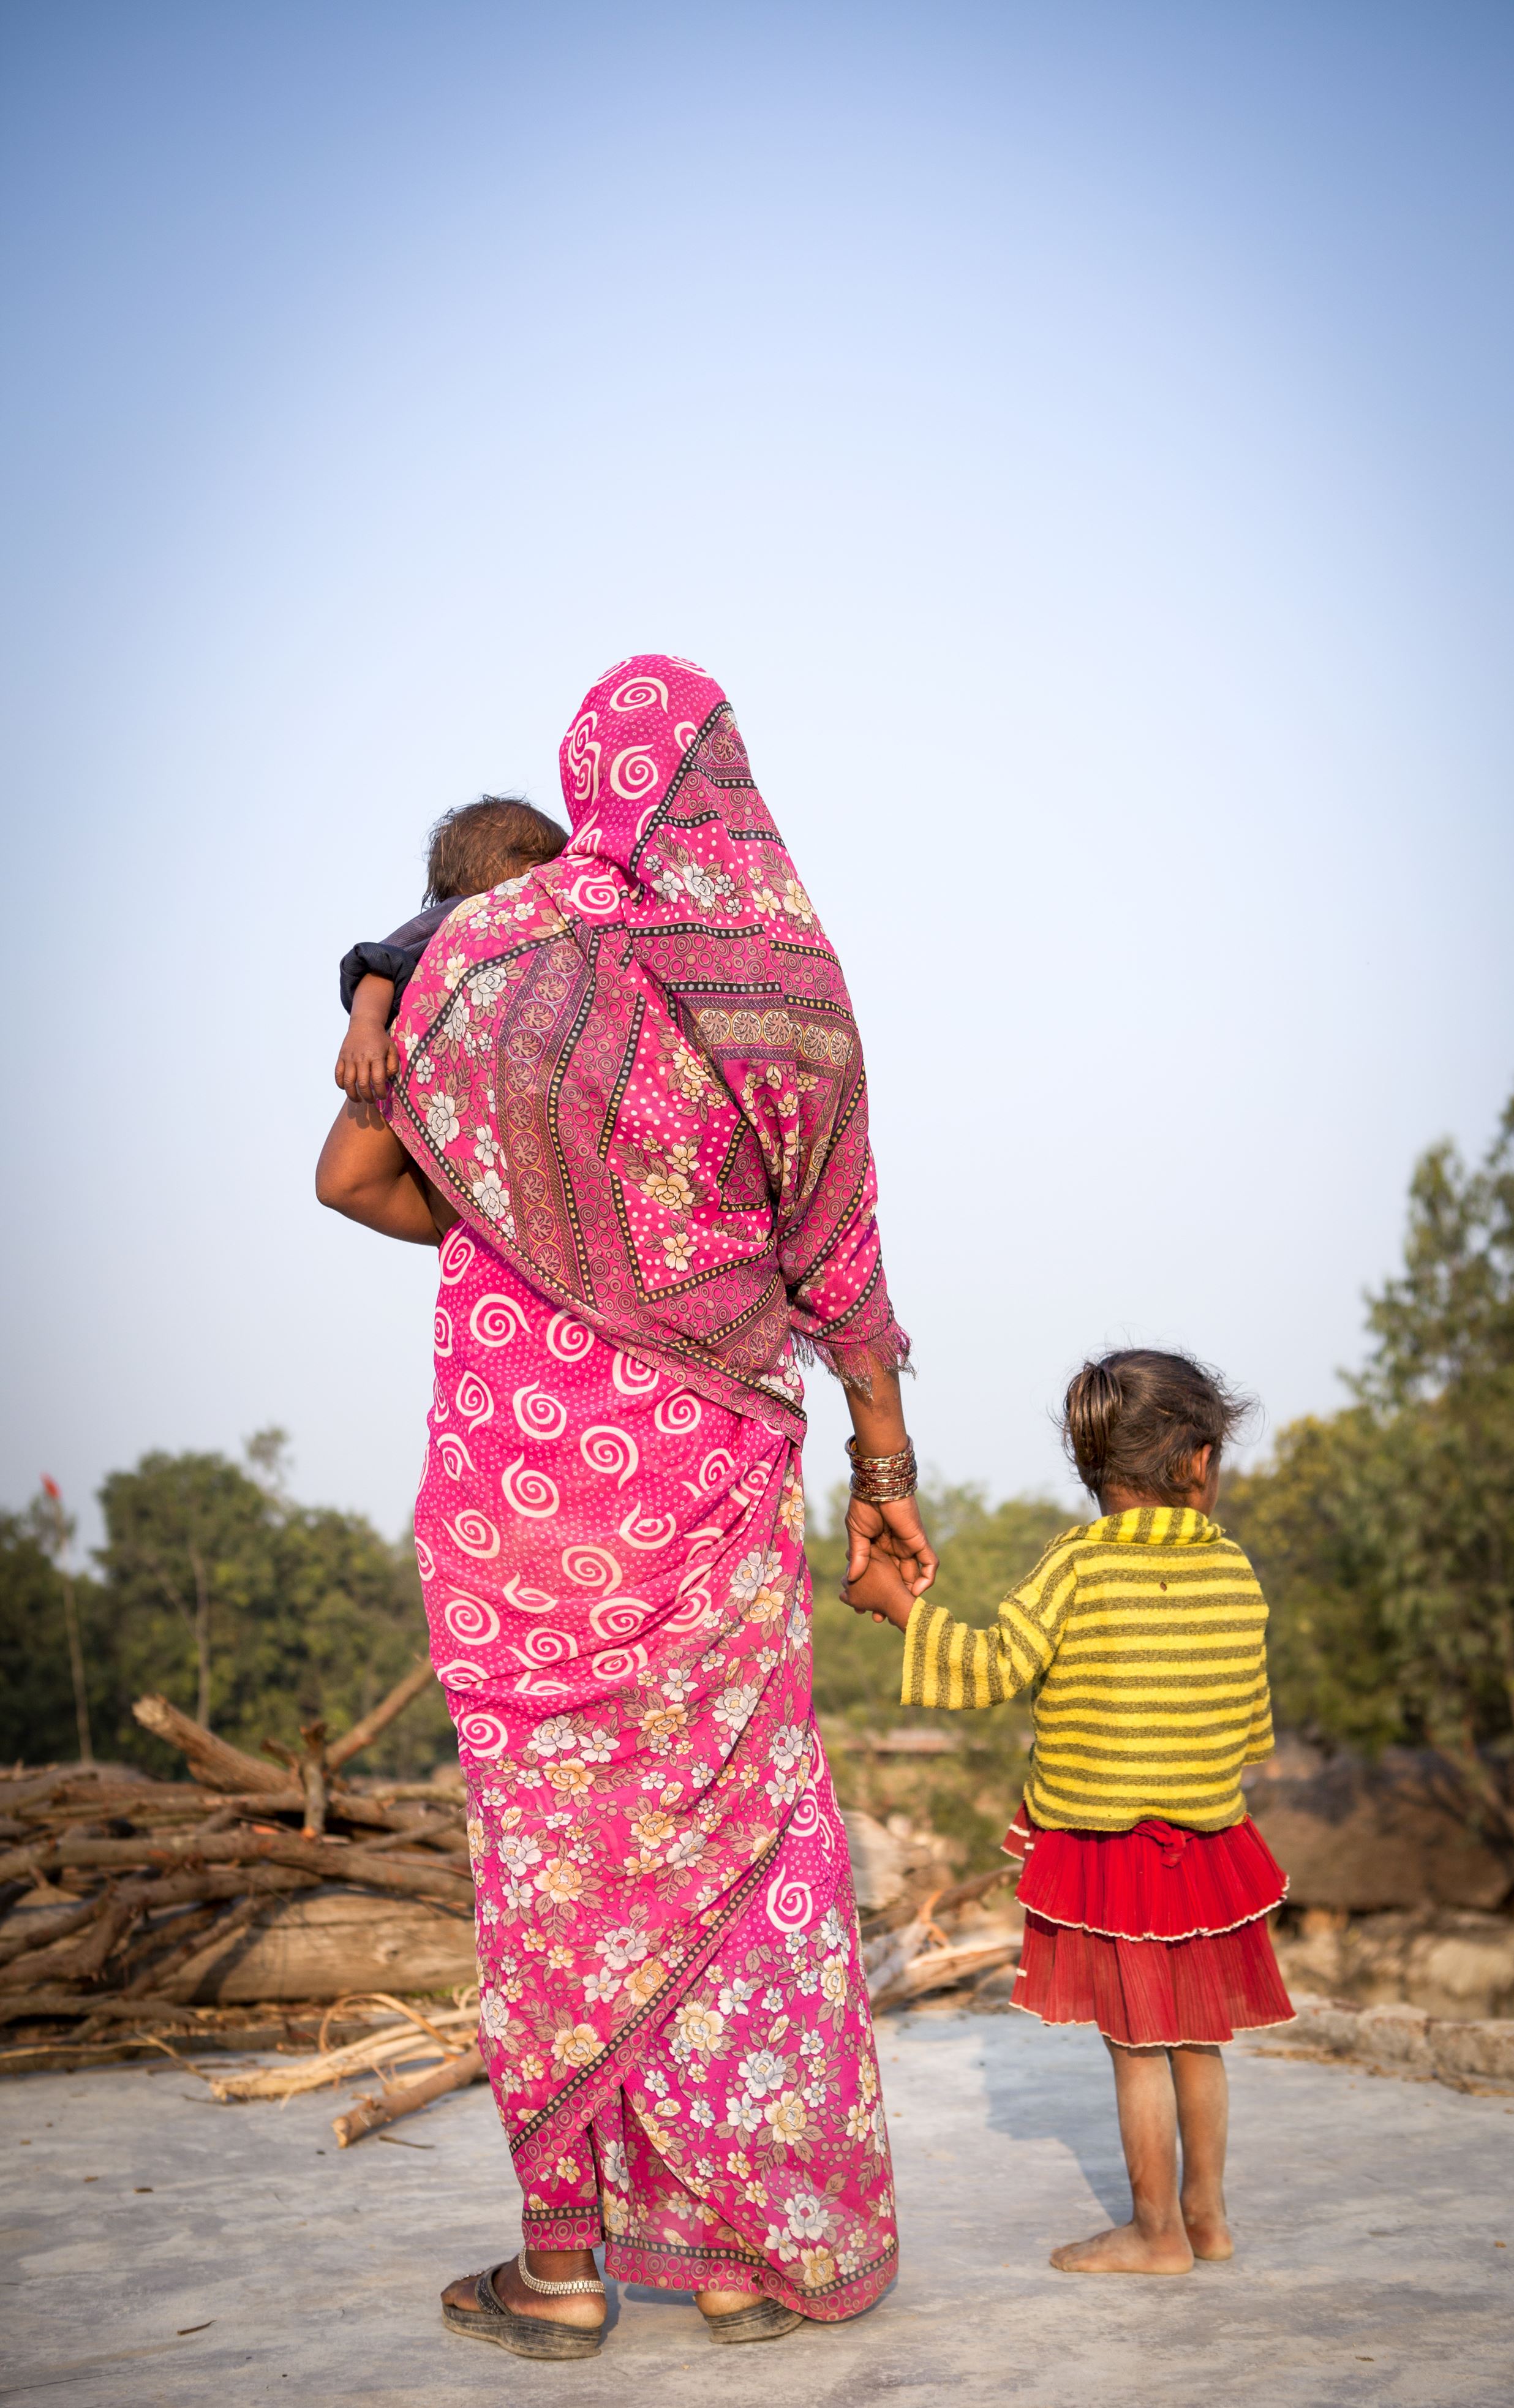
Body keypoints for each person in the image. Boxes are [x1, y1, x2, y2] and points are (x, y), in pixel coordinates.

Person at [315, 655, 934, 2359]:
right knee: (740, 1870)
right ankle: (745, 2252)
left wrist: (382, 999)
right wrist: (882, 1480)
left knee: (556, 1874)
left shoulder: (504, 958)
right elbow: (846, 1260)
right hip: (720, 1499)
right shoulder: (798, 991)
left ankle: (564, 2264)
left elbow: (355, 1144)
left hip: (523, 1529)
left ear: (591, 782)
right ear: (726, 776)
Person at [843, 1346, 1295, 2277]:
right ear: (1199, 1460)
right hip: (1209, 1847)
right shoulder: (1235, 1568)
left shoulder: (1077, 1566)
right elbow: (1252, 1720)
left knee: (1137, 2049)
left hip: (1111, 1854)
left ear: (1096, 1465)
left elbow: (993, 1664)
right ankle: (1207, 2219)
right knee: (1199, 2038)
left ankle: (1155, 2233)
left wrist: (899, 1607)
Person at [334, 794, 569, 1107]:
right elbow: (381, 962)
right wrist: (366, 1026)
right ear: (532, 872)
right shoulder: (463, 913)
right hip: (406, 1079)